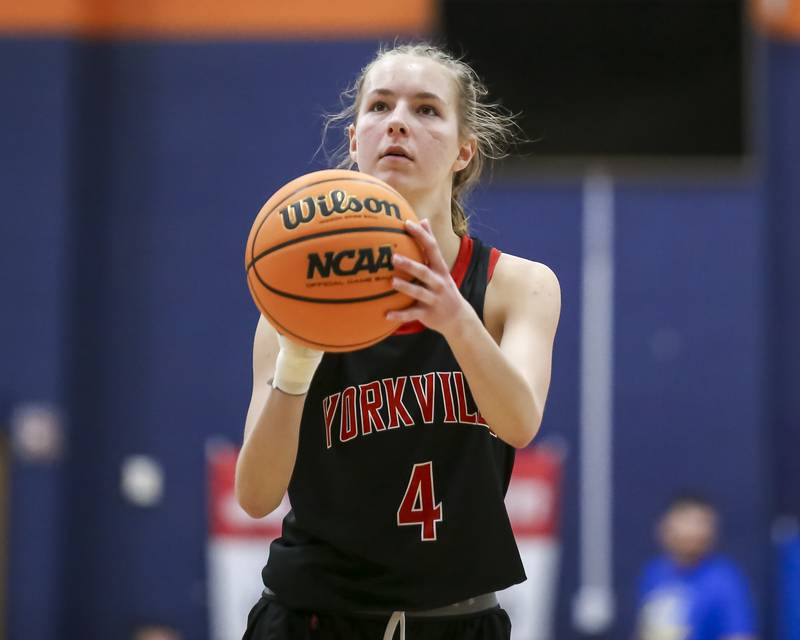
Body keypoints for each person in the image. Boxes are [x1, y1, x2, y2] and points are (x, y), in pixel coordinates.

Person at [235, 41, 561, 640]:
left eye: (427, 110)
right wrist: (298, 363)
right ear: (355, 139)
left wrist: (454, 317)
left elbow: (519, 422)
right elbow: (256, 497)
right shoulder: (297, 298)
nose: (399, 122)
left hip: (456, 619)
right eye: (380, 106)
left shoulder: (517, 286)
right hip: (314, 618)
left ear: (465, 150)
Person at [635, 493, 758, 640]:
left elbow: (740, 635)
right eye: (686, 521)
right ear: (665, 527)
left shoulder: (724, 580)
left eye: (702, 523)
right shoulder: (654, 572)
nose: (694, 531)